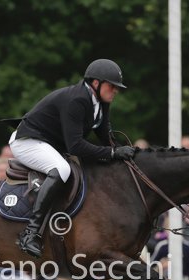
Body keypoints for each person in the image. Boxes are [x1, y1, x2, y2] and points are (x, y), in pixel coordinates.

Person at [9, 59, 134, 257]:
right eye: (112, 86)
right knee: (62, 169)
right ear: (96, 83)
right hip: (27, 141)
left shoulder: (100, 102)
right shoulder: (77, 100)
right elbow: (75, 146)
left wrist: (121, 153)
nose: (115, 90)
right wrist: (112, 153)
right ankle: (31, 233)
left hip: (49, 144)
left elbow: (104, 136)